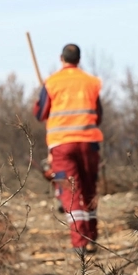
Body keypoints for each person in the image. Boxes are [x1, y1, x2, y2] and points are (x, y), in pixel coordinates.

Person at [32, 44, 103, 256]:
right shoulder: (91, 82)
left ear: (61, 58)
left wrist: (41, 101)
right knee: (89, 189)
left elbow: (40, 113)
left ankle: (79, 243)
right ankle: (91, 238)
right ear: (79, 59)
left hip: (62, 145)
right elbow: (98, 115)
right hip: (89, 143)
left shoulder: (51, 82)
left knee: (71, 192)